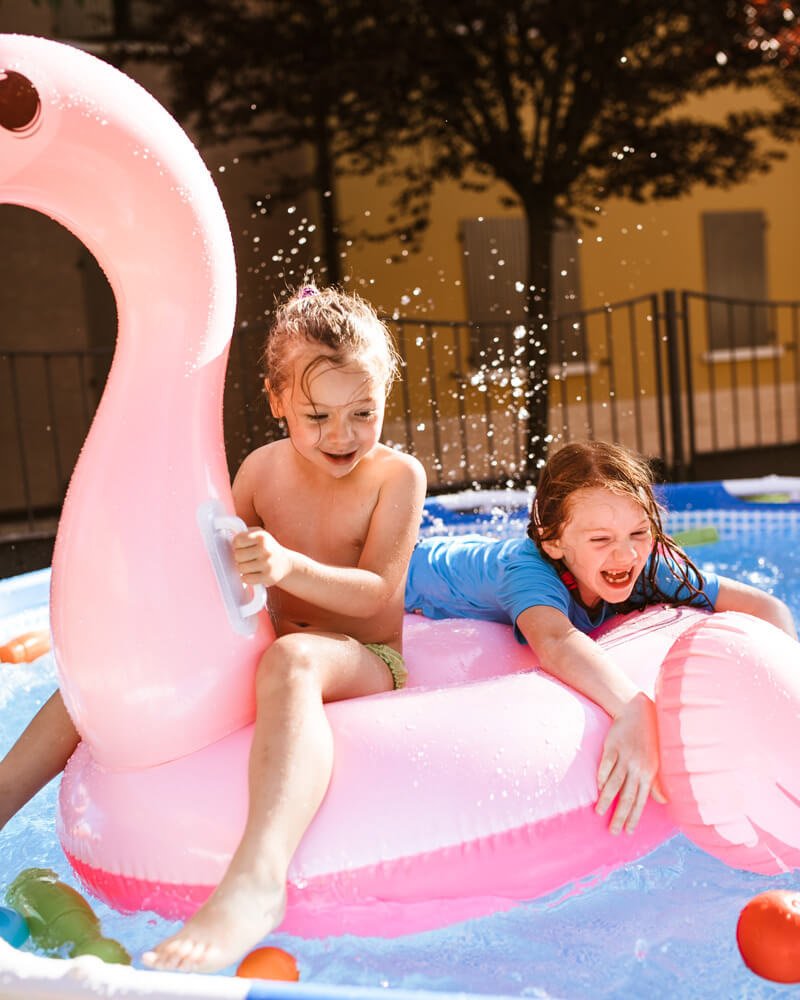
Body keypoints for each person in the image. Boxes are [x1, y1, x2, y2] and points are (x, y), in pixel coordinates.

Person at [0, 284, 427, 973]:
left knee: (292, 663)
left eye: (363, 412)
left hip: (361, 656)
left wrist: (287, 565)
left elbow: (377, 593)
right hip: (270, 645)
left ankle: (256, 881)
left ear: (384, 397)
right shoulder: (261, 469)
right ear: (276, 399)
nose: (343, 435)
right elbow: (214, 568)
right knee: (130, 664)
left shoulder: (395, 478)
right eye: (318, 415)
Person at [405, 440, 797, 839]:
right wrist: (632, 707)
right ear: (553, 540)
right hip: (410, 578)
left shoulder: (650, 563)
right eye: (600, 540)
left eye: (639, 531)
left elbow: (769, 609)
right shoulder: (526, 572)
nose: (625, 554)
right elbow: (556, 641)